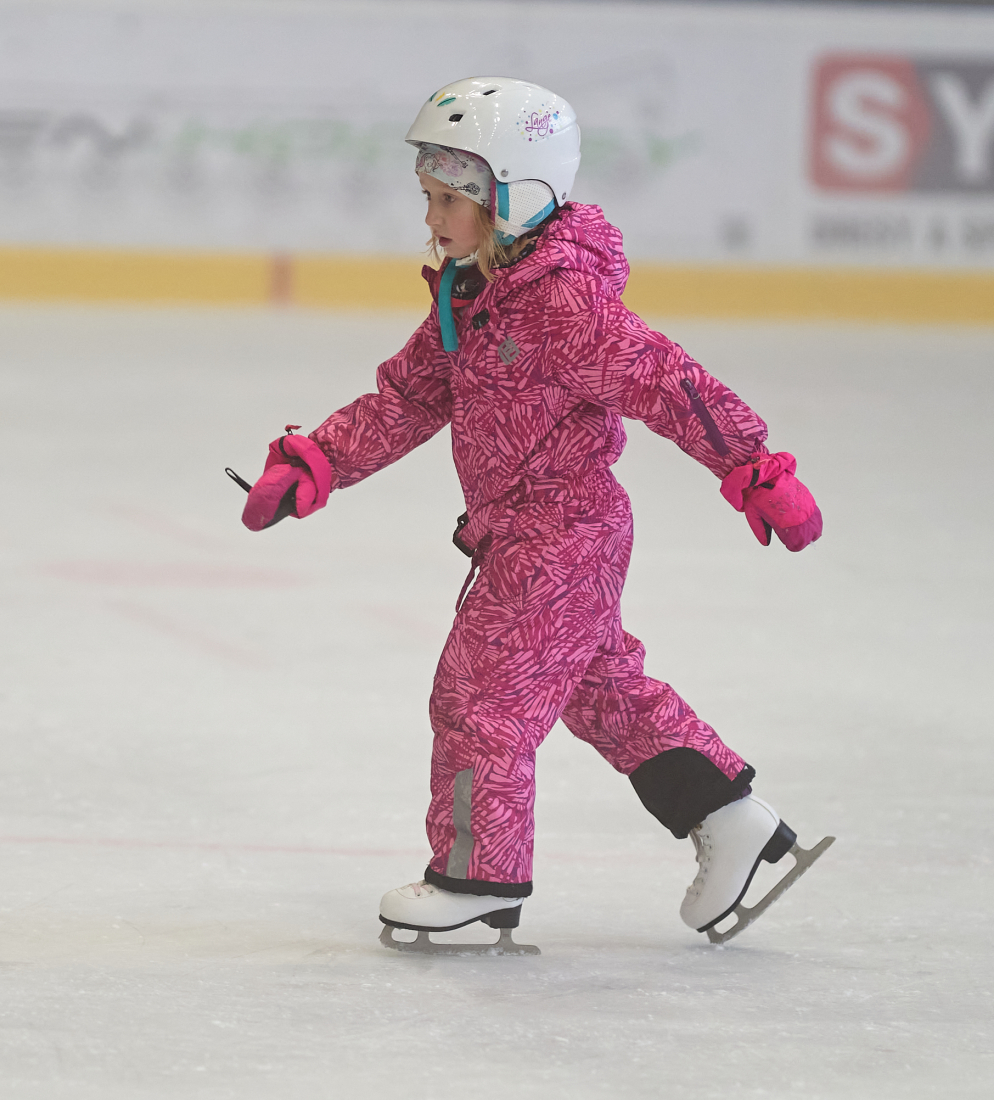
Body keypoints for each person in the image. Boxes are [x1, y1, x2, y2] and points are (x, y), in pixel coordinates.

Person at [239, 76, 828, 950]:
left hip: (561, 534)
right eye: (428, 196)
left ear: (512, 196)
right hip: (526, 533)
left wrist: (751, 465)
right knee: (604, 693)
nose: (431, 217)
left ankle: (476, 876)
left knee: (479, 701)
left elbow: (669, 383)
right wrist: (320, 459)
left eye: (450, 199)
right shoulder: (473, 294)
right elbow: (410, 396)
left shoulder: (562, 302)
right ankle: (729, 816)